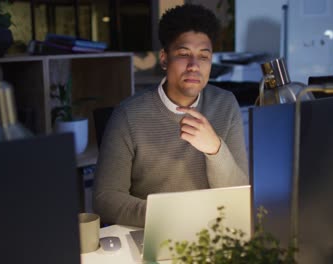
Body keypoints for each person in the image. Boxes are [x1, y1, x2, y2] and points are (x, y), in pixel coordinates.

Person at [93, 4, 249, 227]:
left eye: (203, 56)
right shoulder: (128, 115)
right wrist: (170, 218)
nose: (194, 66)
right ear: (164, 58)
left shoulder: (225, 104)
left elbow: (240, 194)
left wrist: (215, 149)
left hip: (213, 232)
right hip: (154, 231)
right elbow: (105, 199)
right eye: (184, 54)